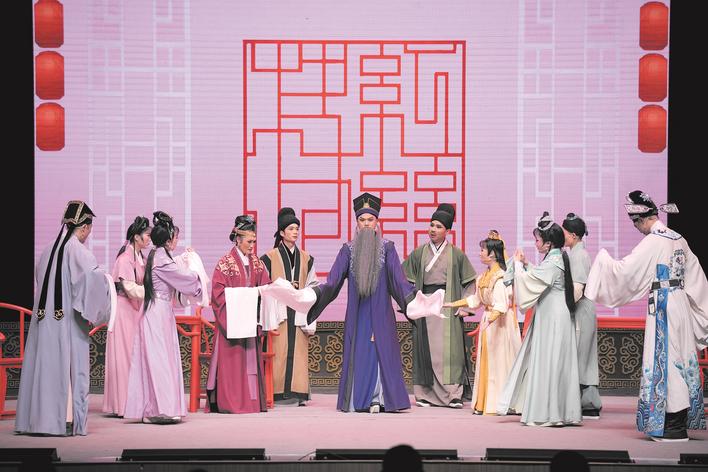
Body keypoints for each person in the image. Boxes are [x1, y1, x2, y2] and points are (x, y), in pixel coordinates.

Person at [586, 190, 708, 441]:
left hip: (663, 305)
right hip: (681, 303)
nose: (637, 228)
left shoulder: (654, 240)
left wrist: (603, 261)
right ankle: (678, 422)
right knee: (681, 360)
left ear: (641, 219)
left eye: (635, 223)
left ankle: (671, 426)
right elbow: (697, 279)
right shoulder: (678, 238)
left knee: (665, 361)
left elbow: (627, 272)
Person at [306, 192, 419, 413]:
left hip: (381, 312)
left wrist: (415, 301)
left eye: (370, 219)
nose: (366, 224)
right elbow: (332, 282)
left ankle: (380, 399)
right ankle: (362, 400)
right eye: (362, 219)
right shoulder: (347, 250)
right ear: (356, 223)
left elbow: (399, 281)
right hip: (358, 314)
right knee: (362, 353)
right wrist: (312, 295)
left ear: (377, 222)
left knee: (380, 352)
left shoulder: (388, 248)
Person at [15, 200, 115, 436]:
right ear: (84, 227)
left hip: (43, 320)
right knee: (68, 367)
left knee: (43, 366)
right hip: (66, 321)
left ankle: (37, 421)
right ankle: (66, 420)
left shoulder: (48, 249)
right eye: (89, 229)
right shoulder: (78, 251)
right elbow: (90, 281)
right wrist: (109, 284)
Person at [496, 212, 582, 426]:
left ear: (548, 243)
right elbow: (539, 276)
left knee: (550, 362)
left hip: (553, 317)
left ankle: (549, 413)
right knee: (552, 361)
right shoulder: (555, 259)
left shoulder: (554, 262)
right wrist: (526, 264)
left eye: (537, 240)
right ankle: (556, 411)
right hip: (552, 314)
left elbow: (531, 281)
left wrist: (517, 266)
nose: (535, 243)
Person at [124, 211, 203, 424]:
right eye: (176, 237)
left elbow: (175, 269)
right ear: (168, 240)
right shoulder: (161, 259)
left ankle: (156, 409)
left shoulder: (158, 255)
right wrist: (195, 270)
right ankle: (159, 409)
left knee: (160, 358)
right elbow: (184, 278)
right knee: (158, 360)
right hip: (157, 312)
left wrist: (185, 259)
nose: (177, 241)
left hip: (159, 310)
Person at [402, 203, 477, 408]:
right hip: (425, 307)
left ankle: (453, 394)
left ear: (448, 231)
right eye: (431, 225)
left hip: (447, 306)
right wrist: (411, 304)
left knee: (450, 354)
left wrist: (464, 306)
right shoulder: (419, 253)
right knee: (426, 352)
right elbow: (403, 279)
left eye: (438, 226)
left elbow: (470, 282)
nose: (433, 230)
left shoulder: (457, 254)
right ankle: (424, 394)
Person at [445, 230, 521, 415]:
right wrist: (454, 303)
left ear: (492, 254)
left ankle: (500, 403)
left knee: (499, 361)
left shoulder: (500, 277)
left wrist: (491, 320)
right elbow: (476, 300)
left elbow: (501, 305)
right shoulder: (484, 276)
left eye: (482, 250)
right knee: (488, 361)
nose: (479, 253)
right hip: (489, 320)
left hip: (500, 324)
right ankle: (485, 402)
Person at [208, 215, 271, 413]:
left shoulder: (258, 264)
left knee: (250, 362)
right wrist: (247, 297)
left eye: (254, 241)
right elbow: (217, 295)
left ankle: (251, 402)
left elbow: (266, 287)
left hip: (250, 323)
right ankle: (230, 402)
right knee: (233, 363)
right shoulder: (225, 264)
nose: (252, 246)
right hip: (231, 324)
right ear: (238, 239)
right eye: (249, 241)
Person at [261, 207, 318, 406]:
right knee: (279, 350)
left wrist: (304, 294)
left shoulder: (306, 258)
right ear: (282, 232)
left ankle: (298, 393)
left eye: (297, 229)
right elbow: (264, 286)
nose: (295, 232)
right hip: (279, 313)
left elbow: (313, 284)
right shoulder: (269, 258)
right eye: (291, 229)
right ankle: (275, 392)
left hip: (299, 311)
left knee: (299, 352)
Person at [103, 216, 151, 417]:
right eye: (147, 235)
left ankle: (135, 403)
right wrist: (153, 292)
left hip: (136, 310)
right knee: (125, 357)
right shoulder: (124, 259)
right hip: (125, 311)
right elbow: (130, 289)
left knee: (135, 356)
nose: (149, 238)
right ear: (136, 237)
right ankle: (123, 404)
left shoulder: (142, 258)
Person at [562, 213, 602, 419]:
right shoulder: (574, 253)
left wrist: (562, 306)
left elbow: (577, 288)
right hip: (580, 309)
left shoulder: (579, 256)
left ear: (574, 235)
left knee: (582, 355)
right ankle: (585, 402)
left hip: (581, 309)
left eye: (564, 232)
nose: (562, 236)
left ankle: (588, 403)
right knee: (582, 355)